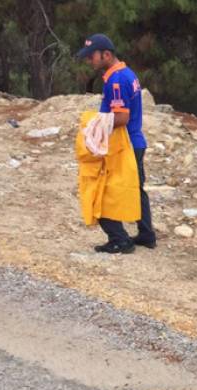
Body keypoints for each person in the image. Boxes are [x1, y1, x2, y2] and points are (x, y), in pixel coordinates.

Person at [76, 33, 156, 253]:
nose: (89, 61)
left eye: (92, 56)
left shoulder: (116, 81)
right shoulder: (127, 74)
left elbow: (121, 117)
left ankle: (120, 240)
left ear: (107, 54)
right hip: (136, 142)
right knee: (136, 188)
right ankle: (147, 235)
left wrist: (95, 125)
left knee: (103, 191)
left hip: (124, 146)